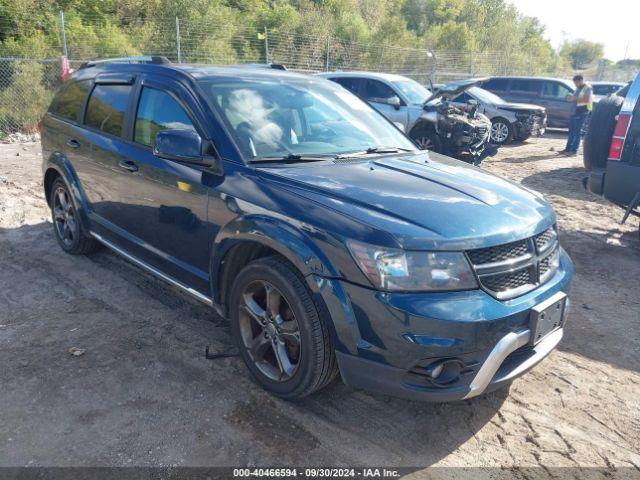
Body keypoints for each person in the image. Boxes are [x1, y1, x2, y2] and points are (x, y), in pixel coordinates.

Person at [560, 75, 593, 156]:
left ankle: (574, 151)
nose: (575, 85)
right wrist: (570, 98)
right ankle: (568, 149)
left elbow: (586, 100)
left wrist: (574, 98)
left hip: (582, 112)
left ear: (581, 80)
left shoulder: (587, 88)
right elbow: (576, 99)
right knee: (572, 132)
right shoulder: (578, 88)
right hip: (575, 112)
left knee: (577, 131)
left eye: (576, 83)